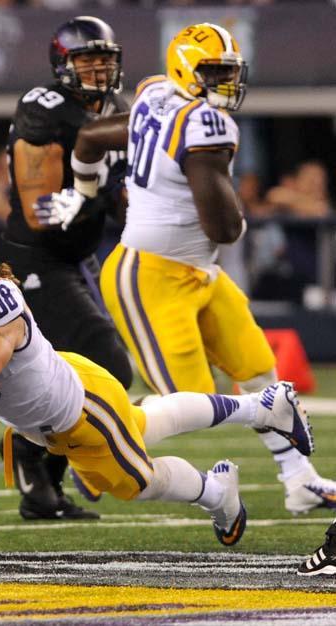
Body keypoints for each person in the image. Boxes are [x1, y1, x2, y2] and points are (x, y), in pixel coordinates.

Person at [0, 214, 315, 549]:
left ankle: (217, 492)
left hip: (78, 410)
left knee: (137, 483)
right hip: (59, 397)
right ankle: (261, 406)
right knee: (144, 420)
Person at [35, 22, 336, 514]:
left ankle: (300, 479)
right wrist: (239, 221)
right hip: (150, 277)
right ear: (186, 71)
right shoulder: (205, 125)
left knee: (260, 369)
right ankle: (88, 451)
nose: (225, 84)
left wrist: (83, 192)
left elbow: (89, 139)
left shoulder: (156, 91)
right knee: (192, 402)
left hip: (200, 273)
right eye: (214, 73)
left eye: (229, 73)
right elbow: (224, 229)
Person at [0, 16, 133, 520]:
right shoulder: (45, 110)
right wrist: (98, 194)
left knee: (77, 373)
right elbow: (42, 213)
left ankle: (41, 489)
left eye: (105, 59)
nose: (98, 69)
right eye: (86, 59)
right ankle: (33, 449)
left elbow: (120, 186)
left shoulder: (115, 108)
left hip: (79, 256)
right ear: (62, 64)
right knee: (109, 366)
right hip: (35, 259)